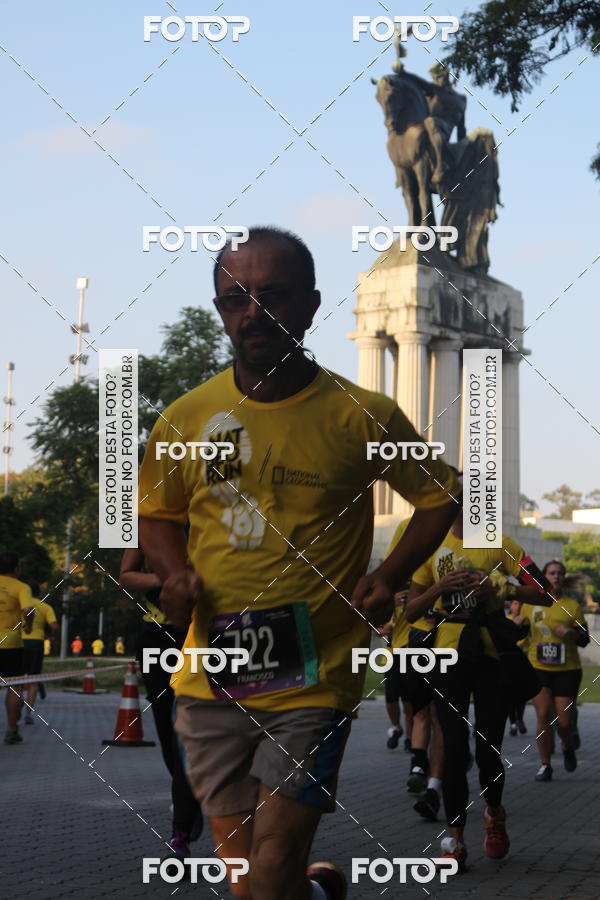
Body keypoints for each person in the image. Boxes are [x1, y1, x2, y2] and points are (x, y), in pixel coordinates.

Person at [138, 226, 460, 900]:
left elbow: (438, 498)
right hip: (212, 674)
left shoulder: (363, 415)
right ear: (220, 310)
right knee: (246, 877)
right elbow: (159, 513)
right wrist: (172, 575)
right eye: (234, 299)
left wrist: (390, 577)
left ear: (311, 306)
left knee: (275, 865)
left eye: (272, 296)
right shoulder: (185, 417)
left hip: (315, 676)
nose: (252, 312)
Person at [406, 495, 548, 871]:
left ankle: (494, 813)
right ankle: (454, 836)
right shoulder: (431, 547)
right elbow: (410, 609)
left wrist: (502, 587)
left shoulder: (498, 543)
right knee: (453, 749)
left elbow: (544, 592)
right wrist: (439, 588)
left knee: (488, 750)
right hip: (448, 657)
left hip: (491, 659)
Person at [120, 549, 203, 860]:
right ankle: (189, 806)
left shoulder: (219, 509)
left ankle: (181, 828)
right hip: (158, 636)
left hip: (212, 633)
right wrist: (166, 578)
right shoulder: (150, 516)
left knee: (189, 733)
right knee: (170, 737)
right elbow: (125, 577)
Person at [517, 561, 589, 782]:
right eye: (552, 573)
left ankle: (567, 745)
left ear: (563, 577)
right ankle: (545, 764)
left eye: (560, 573)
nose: (556, 576)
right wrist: (518, 624)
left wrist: (571, 633)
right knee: (543, 714)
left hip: (567, 670)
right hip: (538, 667)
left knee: (564, 722)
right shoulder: (531, 604)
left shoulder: (572, 606)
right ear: (545, 576)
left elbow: (585, 640)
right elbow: (519, 634)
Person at [0, 551, 34, 744]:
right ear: (16, 569)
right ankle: (12, 730)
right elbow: (28, 609)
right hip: (11, 643)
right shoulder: (21, 587)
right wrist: (28, 625)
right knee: (13, 687)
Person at [21, 581, 58, 724]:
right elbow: (54, 626)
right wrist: (54, 640)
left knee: (17, 680)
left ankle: (15, 708)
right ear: (39, 593)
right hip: (36, 642)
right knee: (33, 680)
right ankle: (28, 714)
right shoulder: (45, 607)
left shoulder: (20, 605)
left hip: (19, 643)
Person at [506, 599, 528, 736]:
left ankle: (519, 719)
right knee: (510, 694)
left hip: (523, 658)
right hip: (508, 660)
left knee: (522, 694)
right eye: (515, 603)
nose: (518, 606)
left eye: (521, 603)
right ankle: (513, 722)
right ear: (510, 606)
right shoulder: (505, 620)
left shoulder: (527, 620)